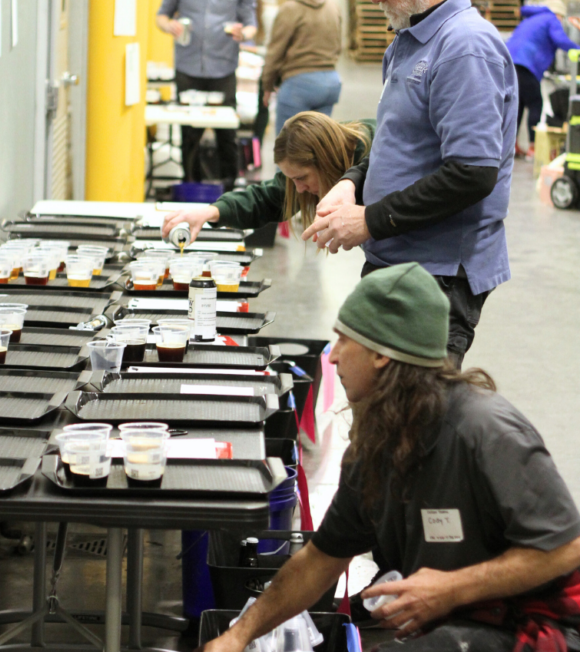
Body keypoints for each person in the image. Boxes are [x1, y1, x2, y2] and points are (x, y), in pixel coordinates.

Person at [200, 263, 580, 652]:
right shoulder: (378, 444)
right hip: (455, 625)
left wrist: (450, 589)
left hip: (539, 626)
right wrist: (237, 636)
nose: (332, 359)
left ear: (381, 355)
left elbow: (565, 546)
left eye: (343, 341)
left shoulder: (486, 432)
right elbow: (319, 561)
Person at [301, 0, 516, 368]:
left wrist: (370, 220)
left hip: (435, 276)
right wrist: (353, 182)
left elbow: (472, 174)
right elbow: (398, 135)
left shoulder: (464, 47)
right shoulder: (408, 41)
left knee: (411, 416)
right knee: (379, 409)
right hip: (399, 259)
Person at [161, 113, 374, 241]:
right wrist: (210, 212)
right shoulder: (337, 151)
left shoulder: (377, 158)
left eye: (301, 178)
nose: (298, 189)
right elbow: (267, 198)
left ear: (325, 160)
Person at [156, 0, 257, 189]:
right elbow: (161, 16)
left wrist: (242, 33)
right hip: (188, 68)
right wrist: (170, 26)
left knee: (226, 133)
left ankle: (229, 186)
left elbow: (252, 26)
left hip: (222, 69)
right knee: (190, 134)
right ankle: (190, 185)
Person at [262, 0, 342, 135]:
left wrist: (267, 86)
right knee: (318, 149)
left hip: (299, 85)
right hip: (330, 83)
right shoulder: (332, 4)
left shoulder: (290, 8)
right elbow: (338, 45)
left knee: (289, 152)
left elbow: (275, 52)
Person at [506, 0, 580, 156]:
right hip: (525, 64)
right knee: (535, 103)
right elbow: (560, 40)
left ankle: (512, 146)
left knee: (516, 106)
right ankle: (533, 146)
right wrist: (577, 49)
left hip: (508, 63)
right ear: (559, 14)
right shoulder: (551, 19)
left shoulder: (532, 19)